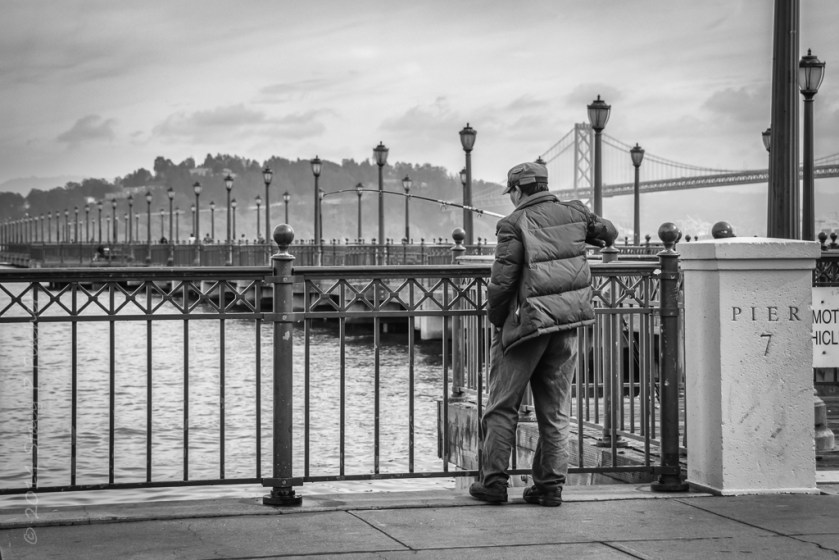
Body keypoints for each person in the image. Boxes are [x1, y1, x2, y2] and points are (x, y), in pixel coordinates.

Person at [469, 161, 617, 507]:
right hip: (567, 324)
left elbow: (502, 283)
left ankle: (493, 483)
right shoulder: (575, 213)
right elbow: (608, 233)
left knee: (503, 405)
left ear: (518, 191)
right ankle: (549, 486)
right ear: (545, 186)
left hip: (527, 326)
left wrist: (496, 321)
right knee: (555, 410)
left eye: (512, 193)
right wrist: (583, 225)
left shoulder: (512, 223)